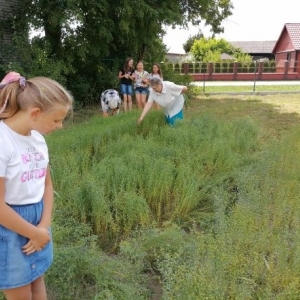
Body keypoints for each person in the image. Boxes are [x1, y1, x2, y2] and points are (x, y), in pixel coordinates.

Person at [0, 71, 73, 299]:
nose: (60, 126)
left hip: (39, 222)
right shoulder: (4, 141)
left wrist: (43, 226)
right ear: (35, 113)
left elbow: (47, 186)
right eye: (56, 119)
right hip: (10, 228)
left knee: (37, 279)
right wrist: (34, 232)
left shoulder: (38, 139)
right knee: (20, 289)